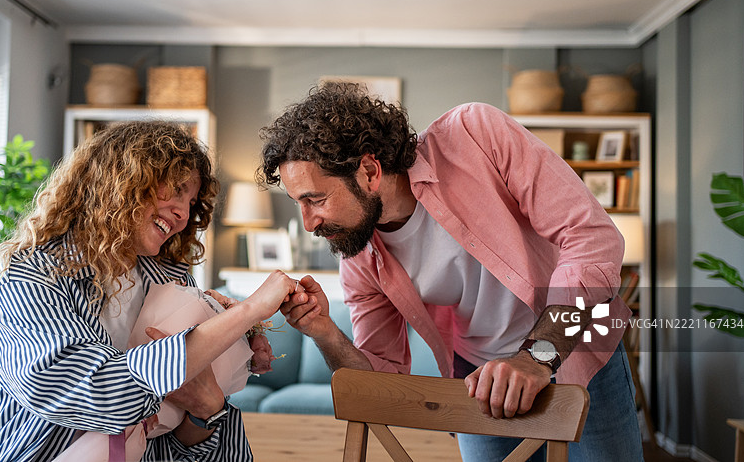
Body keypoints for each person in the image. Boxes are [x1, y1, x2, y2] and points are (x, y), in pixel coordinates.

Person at [257, 83, 644, 461]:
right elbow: (382, 379)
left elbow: (591, 238)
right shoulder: (360, 256)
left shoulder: (476, 135)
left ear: (370, 171)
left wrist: (536, 359)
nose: (308, 223)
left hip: (576, 350)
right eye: (299, 204)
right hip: (480, 384)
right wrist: (324, 332)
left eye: (316, 199)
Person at [0, 120, 299, 462]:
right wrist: (248, 312)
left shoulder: (170, 279)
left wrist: (211, 403)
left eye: (192, 200)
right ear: (123, 183)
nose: (183, 213)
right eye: (175, 189)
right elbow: (90, 390)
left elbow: (176, 441)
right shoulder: (29, 277)